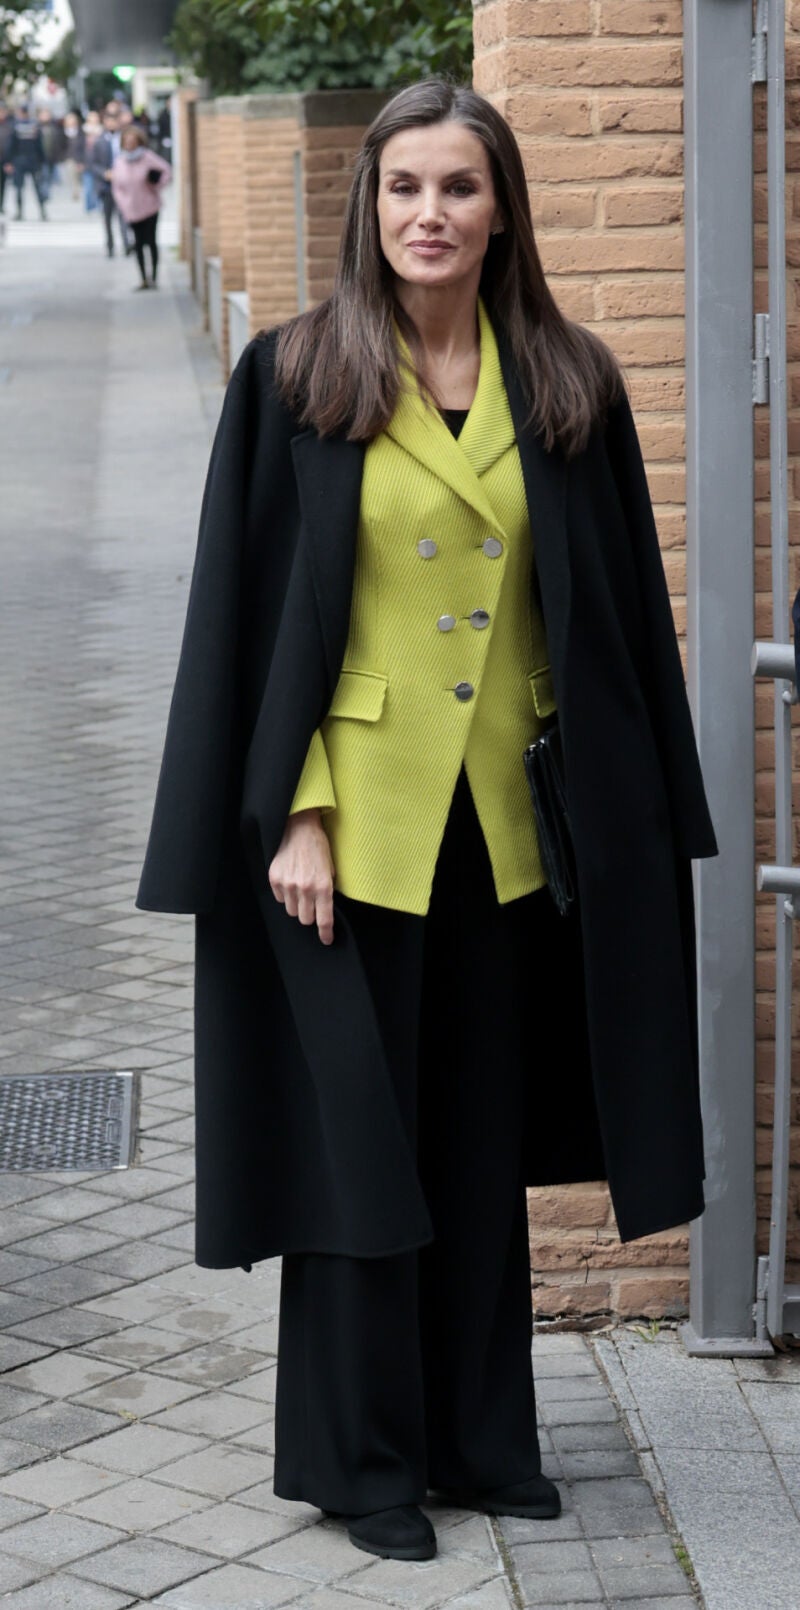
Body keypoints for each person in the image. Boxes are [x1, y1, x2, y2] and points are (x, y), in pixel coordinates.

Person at [137, 80, 718, 1565]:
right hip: (355, 828)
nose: (428, 214)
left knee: (476, 1129)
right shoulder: (294, 379)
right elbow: (248, 619)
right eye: (404, 187)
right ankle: (359, 1460)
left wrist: (643, 813)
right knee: (356, 1141)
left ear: (502, 206)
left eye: (458, 187)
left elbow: (620, 624)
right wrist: (296, 813)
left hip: (517, 828)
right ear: (366, 204)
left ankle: (483, 1438)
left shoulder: (572, 379)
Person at [110, 125, 171, 290]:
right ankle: (143, 278)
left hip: (150, 206)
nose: (129, 144)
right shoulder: (120, 161)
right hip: (131, 209)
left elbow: (166, 171)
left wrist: (156, 186)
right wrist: (123, 204)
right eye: (127, 141)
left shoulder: (148, 157)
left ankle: (154, 277)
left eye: (133, 141)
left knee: (151, 241)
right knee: (138, 243)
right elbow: (117, 187)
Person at [90, 104, 131, 257]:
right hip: (106, 185)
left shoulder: (125, 138)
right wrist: (104, 173)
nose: (111, 124)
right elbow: (93, 164)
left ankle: (127, 244)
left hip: (122, 184)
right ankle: (110, 246)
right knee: (107, 218)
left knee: (124, 216)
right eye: (109, 121)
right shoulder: (99, 141)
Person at [3, 101, 47, 221]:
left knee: (19, 188)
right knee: (36, 187)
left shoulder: (15, 126)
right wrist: (42, 161)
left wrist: (8, 161)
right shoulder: (34, 126)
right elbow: (40, 145)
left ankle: (20, 212)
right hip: (32, 160)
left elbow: (11, 146)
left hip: (19, 161)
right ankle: (42, 212)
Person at [61, 110, 85, 203]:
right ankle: (75, 192)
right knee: (72, 175)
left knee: (78, 176)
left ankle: (77, 190)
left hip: (78, 157)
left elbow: (83, 146)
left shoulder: (80, 131)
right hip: (69, 157)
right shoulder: (63, 131)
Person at [81, 110, 101, 212]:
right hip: (87, 162)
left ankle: (98, 205)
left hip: (98, 163)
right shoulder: (83, 131)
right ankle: (89, 206)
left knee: (98, 186)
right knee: (88, 187)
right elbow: (79, 147)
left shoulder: (102, 131)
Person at [0, 105, 12, 216]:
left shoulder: (9, 126)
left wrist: (10, 162)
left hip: (4, 160)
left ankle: (1, 205)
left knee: (3, 184)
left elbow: (12, 145)